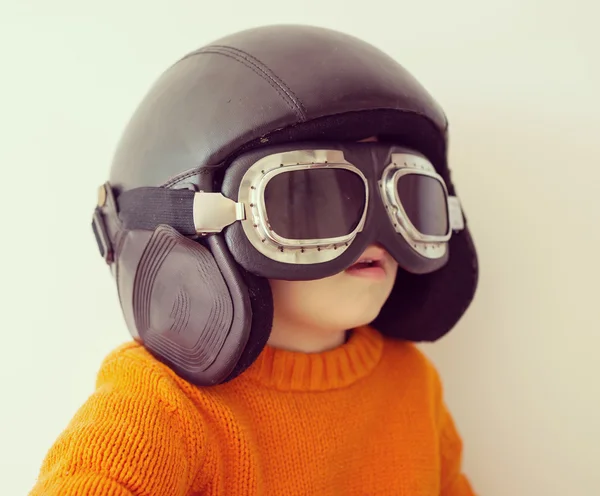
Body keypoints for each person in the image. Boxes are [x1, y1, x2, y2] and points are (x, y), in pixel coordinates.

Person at [30, 24, 479, 495]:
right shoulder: (160, 406)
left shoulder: (412, 382)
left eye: (405, 198)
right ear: (196, 231)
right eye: (311, 199)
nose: (380, 234)